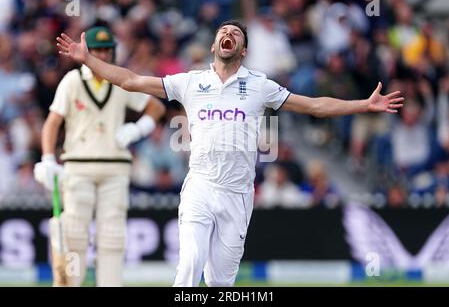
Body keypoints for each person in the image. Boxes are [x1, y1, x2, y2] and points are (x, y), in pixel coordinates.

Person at [56, 20, 404, 287]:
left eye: (235, 34)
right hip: (200, 188)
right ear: (213, 45)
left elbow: (314, 105)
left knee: (221, 281)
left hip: (238, 195)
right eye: (223, 31)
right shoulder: (189, 82)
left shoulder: (259, 85)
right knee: (189, 264)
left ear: (243, 51)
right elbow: (131, 80)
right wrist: (87, 60)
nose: (229, 34)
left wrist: (363, 104)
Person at [34, 26, 166, 287]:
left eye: (107, 50)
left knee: (112, 237)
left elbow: (156, 106)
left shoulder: (119, 81)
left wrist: (139, 128)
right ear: (87, 52)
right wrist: (48, 158)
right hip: (78, 167)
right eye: (98, 51)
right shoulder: (72, 81)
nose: (103, 56)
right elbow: (52, 123)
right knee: (73, 234)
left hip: (115, 168)